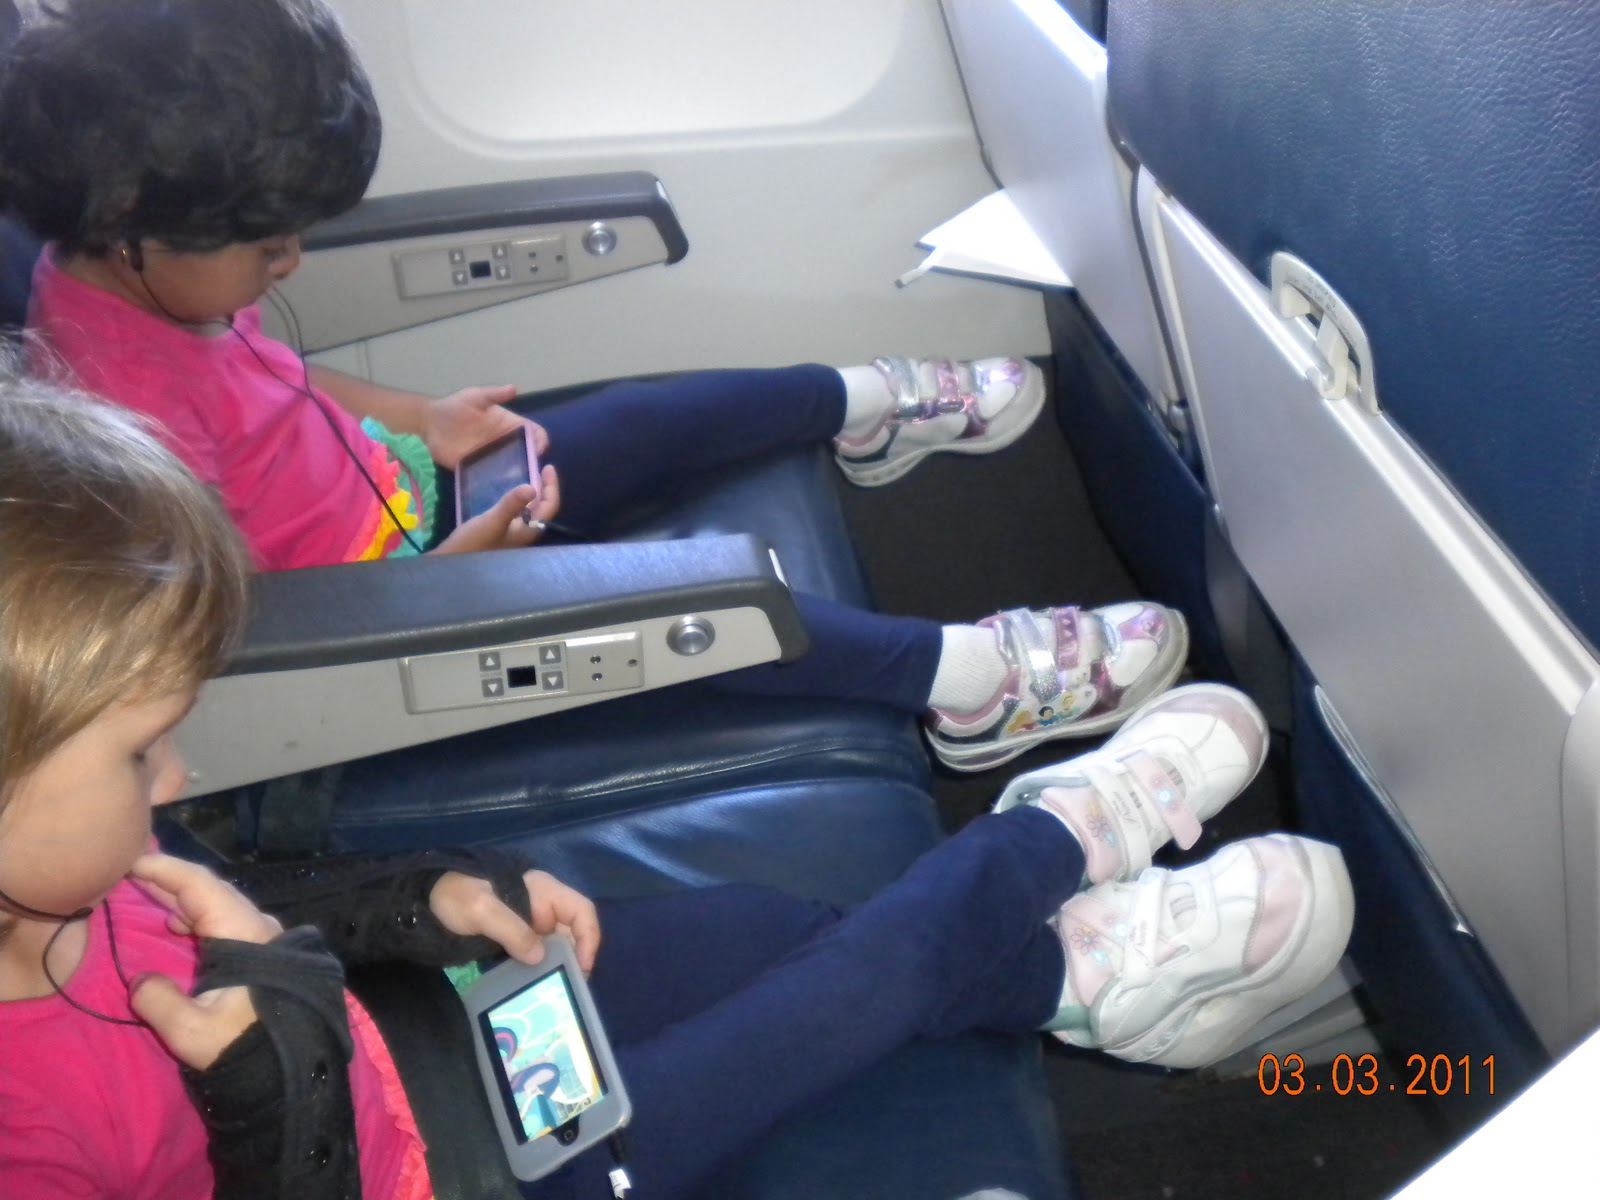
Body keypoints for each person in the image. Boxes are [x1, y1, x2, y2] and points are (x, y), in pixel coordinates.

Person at [0, 374, 1355, 1200]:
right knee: (863, 978)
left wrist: (420, 900)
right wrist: (277, 1080)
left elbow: (258, 899)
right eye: (136, 755)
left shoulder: (80, 869)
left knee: (766, 932)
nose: (178, 778)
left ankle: (1073, 979)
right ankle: (1052, 843)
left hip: (404, 1041)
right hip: (463, 1177)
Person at [0, 0, 1189, 772]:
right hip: (371, 615)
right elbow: (220, 629)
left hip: (405, 498)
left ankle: (855, 407)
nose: (291, 265)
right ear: (130, 219)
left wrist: (424, 420)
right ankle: (957, 685)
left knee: (651, 418)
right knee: (698, 599)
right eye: (267, 249)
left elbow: (281, 389)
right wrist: (448, 576)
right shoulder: (110, 415)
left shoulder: (164, 277)